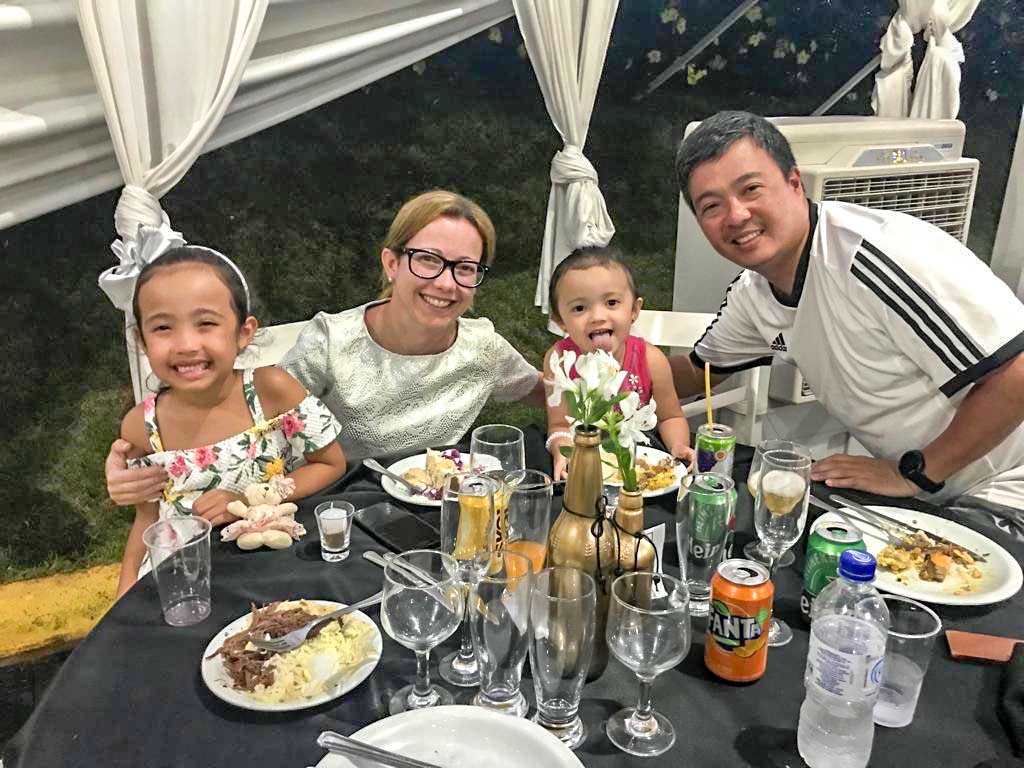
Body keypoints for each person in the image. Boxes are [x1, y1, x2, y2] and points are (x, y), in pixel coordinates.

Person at [669, 110, 1024, 514]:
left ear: (794, 183)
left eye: (751, 189)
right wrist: (614, 358)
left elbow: (1017, 373)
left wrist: (915, 474)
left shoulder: (875, 255)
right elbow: (698, 372)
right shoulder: (754, 294)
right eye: (711, 206)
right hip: (930, 493)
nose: (736, 215)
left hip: (1006, 487)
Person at [105, 190, 544, 507]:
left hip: (445, 509)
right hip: (338, 509)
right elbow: (247, 414)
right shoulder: (331, 343)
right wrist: (127, 459)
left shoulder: (483, 348)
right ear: (392, 263)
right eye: (428, 260)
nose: (445, 283)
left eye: (464, 268)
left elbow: (551, 390)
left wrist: (566, 425)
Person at [116, 247, 346, 596]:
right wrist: (126, 587)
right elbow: (147, 519)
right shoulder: (141, 426)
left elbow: (330, 463)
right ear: (142, 341)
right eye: (163, 327)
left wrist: (249, 499)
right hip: (187, 581)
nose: (186, 344)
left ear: (243, 332)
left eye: (206, 324)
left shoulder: (272, 390)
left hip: (272, 562)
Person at [543, 245, 696, 480]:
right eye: (579, 308)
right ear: (560, 320)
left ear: (634, 310)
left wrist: (678, 445)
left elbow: (670, 416)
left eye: (612, 302)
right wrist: (562, 449)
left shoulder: (651, 360)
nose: (597, 317)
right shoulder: (560, 360)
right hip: (582, 462)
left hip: (637, 462)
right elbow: (559, 425)